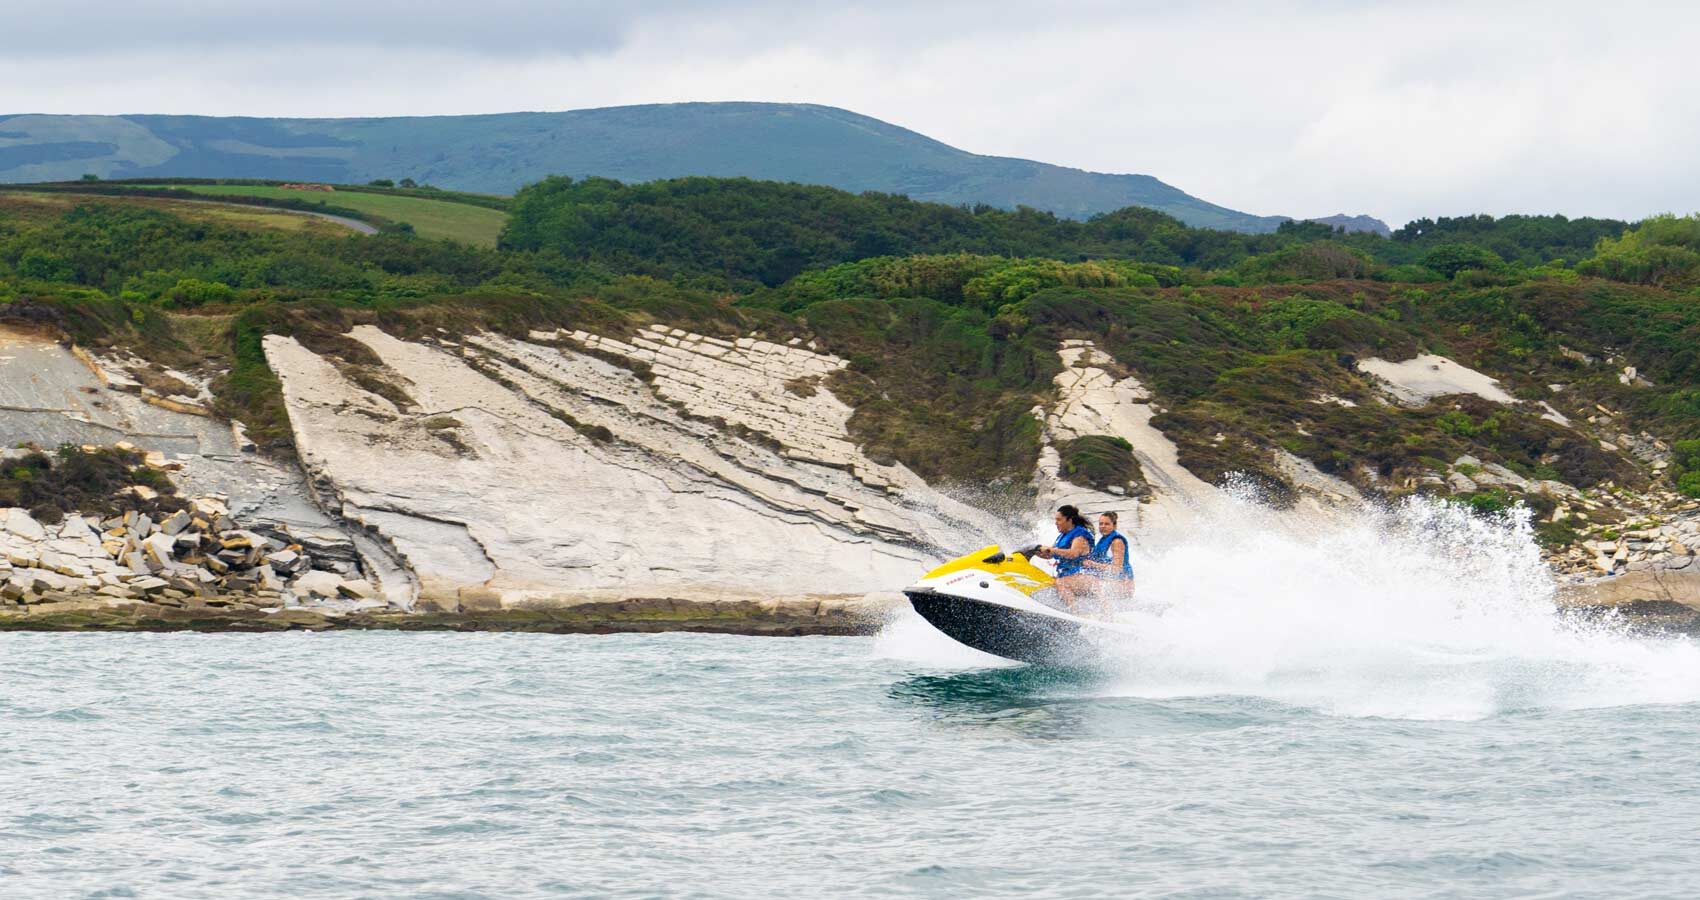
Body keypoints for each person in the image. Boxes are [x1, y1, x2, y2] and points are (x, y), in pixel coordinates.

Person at [1036, 505, 1094, 613]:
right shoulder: (1062, 536)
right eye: (1055, 520)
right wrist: (1035, 551)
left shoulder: (1080, 534)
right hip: (1069, 576)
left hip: (1084, 575)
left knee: (1060, 583)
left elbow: (1073, 554)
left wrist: (1051, 550)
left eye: (1059, 519)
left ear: (1069, 520)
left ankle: (1076, 614)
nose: (1056, 523)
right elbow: (1050, 555)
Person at [1082, 511, 1134, 615]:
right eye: (1101, 524)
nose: (1103, 526)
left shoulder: (1117, 541)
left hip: (1123, 585)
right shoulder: (1103, 540)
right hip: (1110, 582)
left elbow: (1116, 569)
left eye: (1107, 524)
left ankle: (1107, 614)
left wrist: (1092, 564)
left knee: (1090, 584)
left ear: (1114, 525)